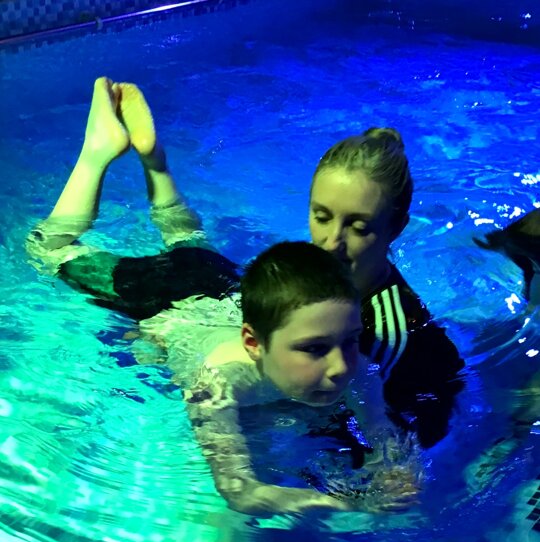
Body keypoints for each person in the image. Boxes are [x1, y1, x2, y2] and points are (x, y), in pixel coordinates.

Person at [26, 78, 422, 517]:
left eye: (350, 341)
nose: (341, 366)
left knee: (188, 241)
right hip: (168, 301)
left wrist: (395, 470)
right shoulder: (217, 383)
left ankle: (156, 163)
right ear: (253, 344)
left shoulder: (357, 367)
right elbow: (240, 491)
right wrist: (348, 505)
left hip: (226, 287)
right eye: (314, 349)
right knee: (46, 249)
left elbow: (385, 435)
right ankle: (97, 150)